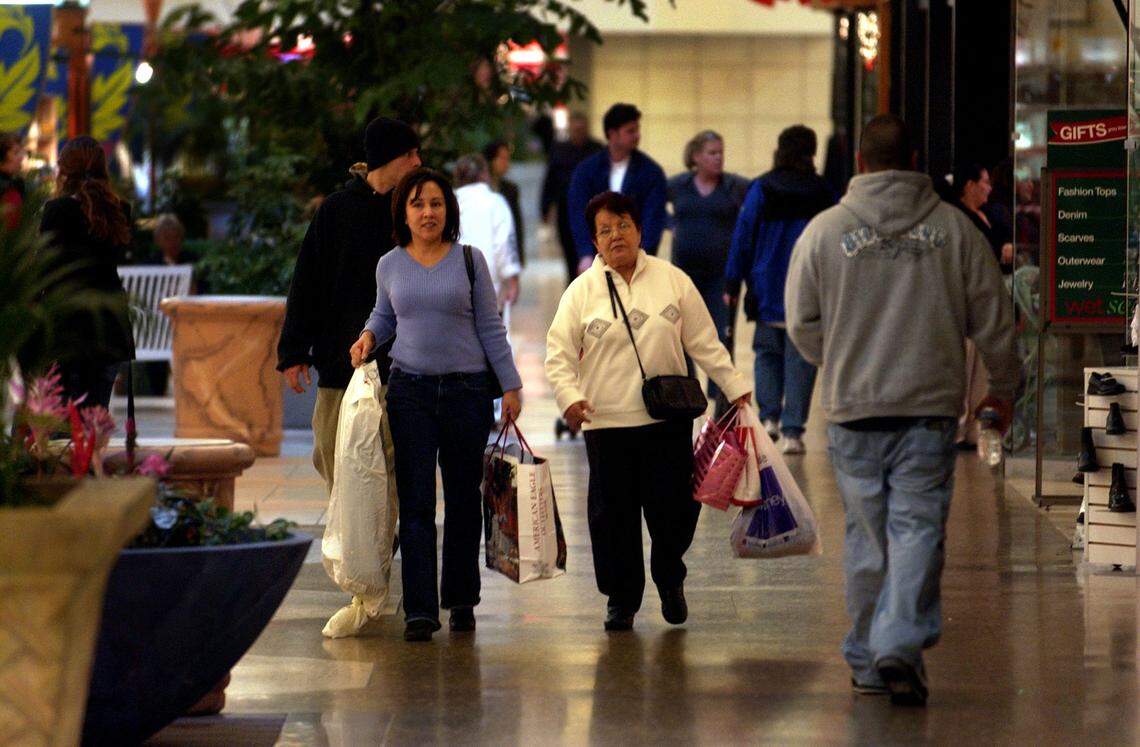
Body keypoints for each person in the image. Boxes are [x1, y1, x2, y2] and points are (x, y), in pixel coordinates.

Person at [784, 114, 1018, 706]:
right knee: (915, 528)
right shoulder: (956, 230)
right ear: (915, 159)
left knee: (866, 535)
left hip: (852, 411)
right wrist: (1006, 387)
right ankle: (895, 645)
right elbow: (994, 317)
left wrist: (838, 360)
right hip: (928, 409)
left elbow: (801, 324)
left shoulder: (822, 232)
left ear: (859, 162)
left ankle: (870, 660)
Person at [545, 191, 750, 632]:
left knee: (673, 512)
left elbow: (705, 343)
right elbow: (558, 355)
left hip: (667, 421)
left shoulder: (673, 280)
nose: (615, 235)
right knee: (612, 517)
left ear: (639, 229)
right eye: (605, 230)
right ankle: (621, 599)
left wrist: (736, 389)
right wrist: (569, 399)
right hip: (607, 424)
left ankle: (669, 576)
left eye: (623, 225)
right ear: (595, 241)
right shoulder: (580, 293)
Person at [350, 168, 522, 643]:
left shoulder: (470, 261)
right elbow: (384, 316)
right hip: (410, 393)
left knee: (465, 500)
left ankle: (462, 598)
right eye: (418, 204)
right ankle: (421, 609)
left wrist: (510, 386)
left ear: (449, 211)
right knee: (417, 502)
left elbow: (491, 327)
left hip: (467, 394)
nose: (428, 212)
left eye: (436, 204)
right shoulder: (389, 264)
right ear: (403, 212)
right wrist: (367, 337)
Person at [277, 116, 422, 495]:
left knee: (390, 467)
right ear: (390, 157)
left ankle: (378, 544)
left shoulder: (414, 213)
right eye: (410, 153)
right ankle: (352, 542)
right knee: (333, 459)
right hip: (340, 365)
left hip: (399, 367)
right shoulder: (336, 211)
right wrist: (294, 351)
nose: (418, 162)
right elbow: (307, 281)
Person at [724, 125, 835, 455]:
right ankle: (793, 431)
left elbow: (743, 236)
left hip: (767, 284)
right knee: (801, 358)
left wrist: (733, 280)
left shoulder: (763, 188)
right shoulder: (823, 191)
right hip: (808, 288)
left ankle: (769, 417)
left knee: (768, 353)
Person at [39, 135, 135, 408]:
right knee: (95, 418)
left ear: (65, 170)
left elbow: (45, 267)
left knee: (62, 427)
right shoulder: (121, 210)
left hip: (67, 328)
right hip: (109, 327)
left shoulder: (56, 210)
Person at [666, 130, 750, 401]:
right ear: (696, 157)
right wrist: (671, 225)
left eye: (721, 153)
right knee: (681, 336)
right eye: (712, 153)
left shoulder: (734, 186)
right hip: (684, 276)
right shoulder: (678, 185)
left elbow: (754, 211)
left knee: (720, 337)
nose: (718, 158)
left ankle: (722, 400)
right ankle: (688, 392)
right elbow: (651, 206)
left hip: (720, 277)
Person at [567, 103, 667, 273]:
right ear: (612, 134)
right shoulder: (586, 171)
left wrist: (643, 256)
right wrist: (585, 253)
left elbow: (654, 218)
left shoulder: (651, 172)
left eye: (637, 130)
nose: (637, 136)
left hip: (635, 260)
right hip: (596, 259)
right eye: (630, 131)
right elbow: (578, 213)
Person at [454, 153, 521, 325]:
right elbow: (504, 242)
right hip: (490, 284)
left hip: (453, 287)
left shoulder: (449, 203)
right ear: (484, 174)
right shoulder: (495, 202)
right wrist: (512, 279)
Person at [541, 112, 603, 284]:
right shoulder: (559, 150)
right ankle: (574, 292)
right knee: (570, 256)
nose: (579, 132)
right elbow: (550, 180)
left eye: (582, 129)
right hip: (565, 212)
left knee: (595, 256)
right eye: (576, 129)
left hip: (594, 212)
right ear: (570, 129)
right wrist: (545, 208)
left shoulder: (597, 149)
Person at [483, 140, 526, 267]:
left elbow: (517, 224)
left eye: (507, 159)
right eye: (502, 158)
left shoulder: (511, 189)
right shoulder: (479, 189)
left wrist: (519, 256)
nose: (506, 163)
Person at [1, 132, 26, 231]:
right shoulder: (9, 190)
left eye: (21, 152)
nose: (22, 157)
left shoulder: (15, 184)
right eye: (16, 152)